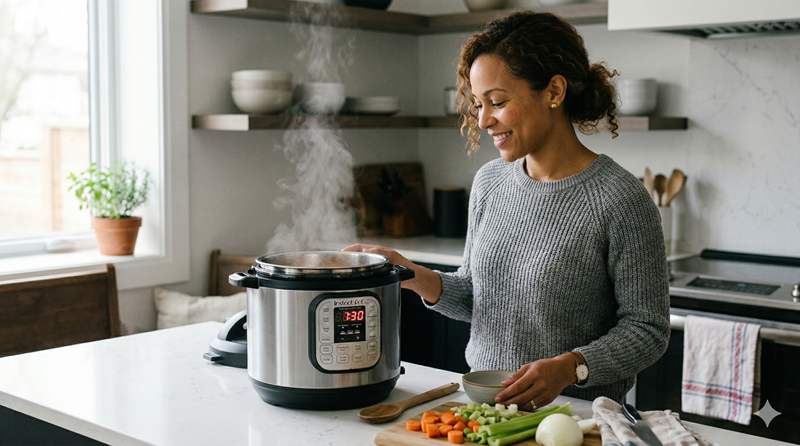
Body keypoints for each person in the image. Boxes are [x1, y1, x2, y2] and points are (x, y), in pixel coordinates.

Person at [345, 10, 670, 408]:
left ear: (553, 91)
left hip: (572, 421)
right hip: (485, 410)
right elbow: (478, 298)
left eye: (497, 102)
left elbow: (648, 328)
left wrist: (571, 367)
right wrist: (409, 273)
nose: (482, 120)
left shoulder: (620, 199)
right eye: (478, 104)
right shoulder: (490, 184)